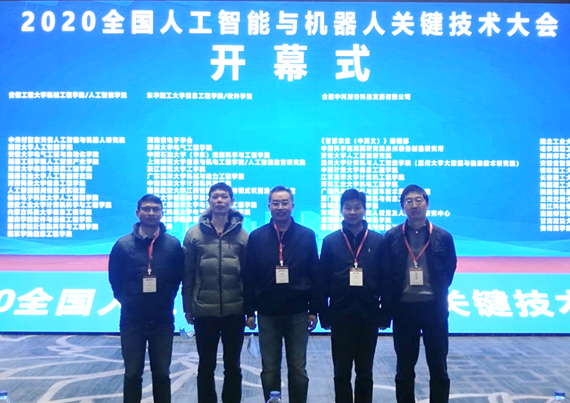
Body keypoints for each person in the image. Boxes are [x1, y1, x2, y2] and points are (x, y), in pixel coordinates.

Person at [242, 185, 319, 403]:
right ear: (269, 207)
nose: (280, 207)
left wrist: (314, 310)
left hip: (298, 312)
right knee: (269, 369)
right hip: (267, 313)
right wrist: (249, 311)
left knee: (298, 369)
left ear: (292, 206)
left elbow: (315, 273)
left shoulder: (306, 235)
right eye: (275, 203)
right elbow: (249, 275)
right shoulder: (257, 237)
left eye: (285, 202)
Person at [384, 185, 457, 403]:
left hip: (434, 309)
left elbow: (449, 269)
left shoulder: (443, 236)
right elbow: (387, 272)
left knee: (438, 367)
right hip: (404, 309)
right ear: (402, 207)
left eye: (419, 200)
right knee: (404, 368)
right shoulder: (392, 236)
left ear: (427, 203)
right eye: (409, 201)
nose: (414, 205)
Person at [108, 194, 184, 403]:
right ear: (137, 213)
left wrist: (166, 297)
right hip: (132, 319)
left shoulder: (172, 245)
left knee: (162, 373)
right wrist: (129, 300)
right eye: (146, 209)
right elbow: (115, 278)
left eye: (155, 209)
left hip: (162, 319)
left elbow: (178, 276)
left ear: (162, 213)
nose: (151, 213)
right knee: (132, 373)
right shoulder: (123, 245)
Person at [319, 189, 390, 403]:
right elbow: (322, 279)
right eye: (348, 208)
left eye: (357, 207)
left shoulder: (378, 241)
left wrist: (385, 314)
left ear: (364, 210)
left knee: (365, 372)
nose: (352, 212)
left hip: (369, 314)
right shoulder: (330, 241)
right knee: (341, 373)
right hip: (340, 314)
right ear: (341, 210)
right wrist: (324, 313)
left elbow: (386, 278)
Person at [182, 182, 248, 403]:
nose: (220, 200)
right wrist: (187, 306)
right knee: (206, 365)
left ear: (232, 201)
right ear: (209, 201)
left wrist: (250, 309)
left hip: (235, 309)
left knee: (233, 366)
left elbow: (248, 275)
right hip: (204, 309)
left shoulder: (242, 235)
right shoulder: (194, 234)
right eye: (215, 197)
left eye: (224, 196)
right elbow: (188, 273)